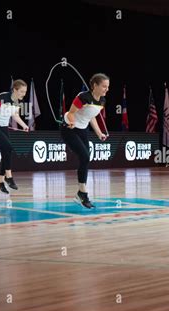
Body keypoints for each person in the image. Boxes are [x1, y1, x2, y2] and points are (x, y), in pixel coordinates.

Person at [61, 73, 109, 209]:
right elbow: (70, 112)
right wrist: (71, 122)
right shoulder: (83, 97)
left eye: (108, 87)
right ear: (95, 85)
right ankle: (83, 193)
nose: (107, 89)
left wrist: (99, 133)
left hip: (82, 129)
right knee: (85, 156)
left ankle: (80, 194)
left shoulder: (102, 101)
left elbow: (91, 116)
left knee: (86, 159)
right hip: (69, 128)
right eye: (104, 86)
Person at [0, 79, 29, 194]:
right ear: (15, 90)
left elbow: (15, 115)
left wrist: (24, 125)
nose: (24, 94)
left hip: (3, 127)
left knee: (7, 152)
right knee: (8, 148)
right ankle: (9, 177)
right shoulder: (2, 97)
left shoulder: (17, 101)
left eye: (25, 92)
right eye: (22, 92)